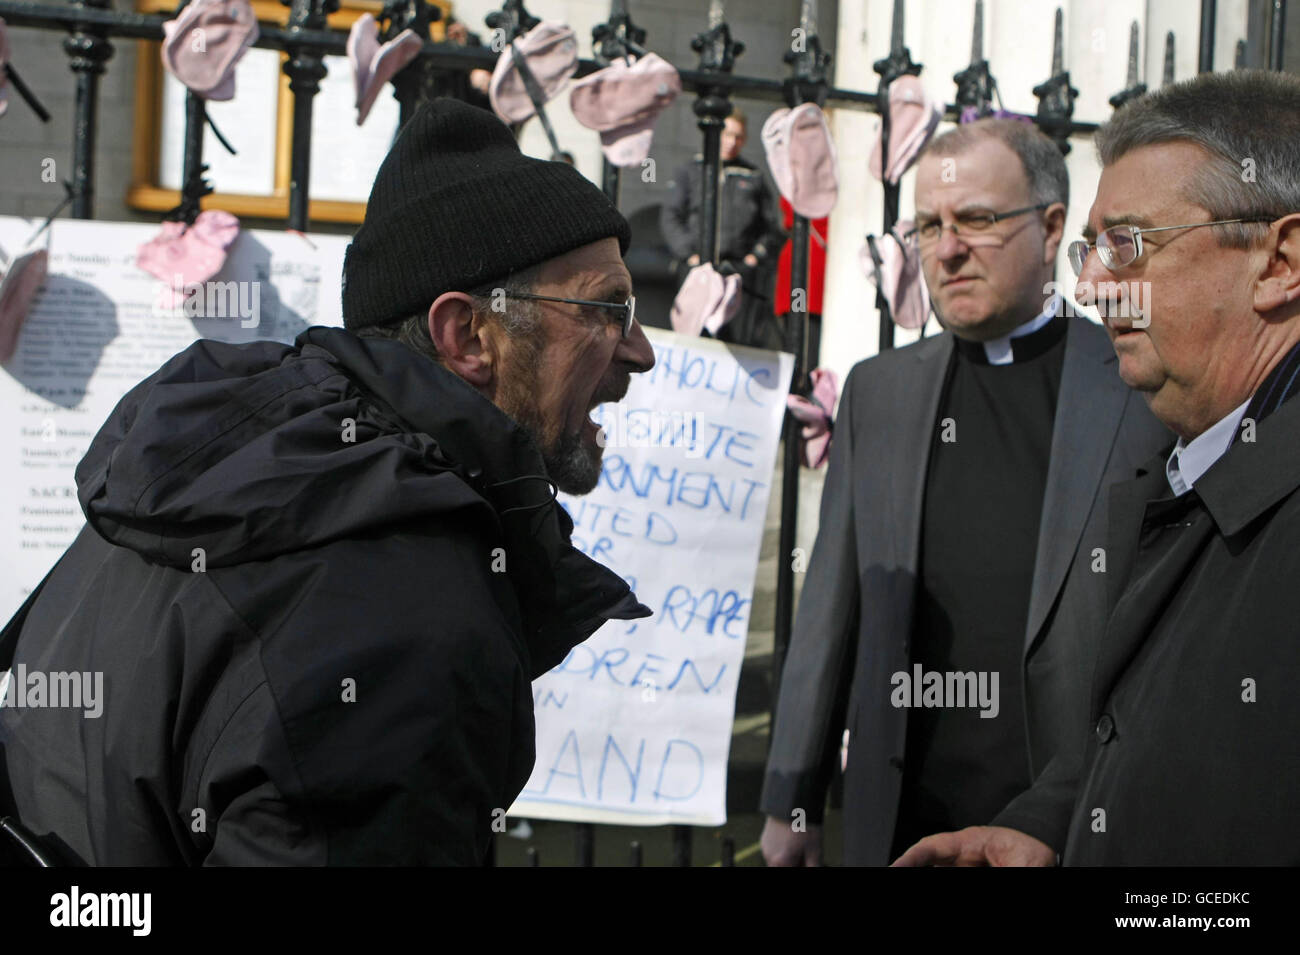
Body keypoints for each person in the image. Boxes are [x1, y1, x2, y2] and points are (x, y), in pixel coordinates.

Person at [0, 99, 656, 865]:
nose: (637, 351)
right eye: (606, 309)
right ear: (470, 337)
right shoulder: (404, 613)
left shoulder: (211, 480)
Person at [900, 70, 1300, 867]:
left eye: (1127, 246)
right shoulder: (1194, 466)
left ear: (1280, 261)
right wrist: (1051, 825)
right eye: (1091, 249)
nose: (1088, 288)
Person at [760, 118, 1171, 866]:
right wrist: (793, 796)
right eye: (928, 227)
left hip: (1071, 827)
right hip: (900, 823)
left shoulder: (1137, 384)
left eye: (976, 221)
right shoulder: (880, 391)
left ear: (1051, 230)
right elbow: (830, 609)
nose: (945, 250)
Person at [660, 107, 785, 349]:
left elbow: (771, 226)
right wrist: (689, 254)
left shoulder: (753, 176)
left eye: (738, 136)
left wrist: (754, 257)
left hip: (739, 274)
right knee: (694, 340)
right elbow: (671, 216)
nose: (732, 142)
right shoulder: (692, 171)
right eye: (727, 134)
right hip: (698, 269)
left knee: (737, 345)